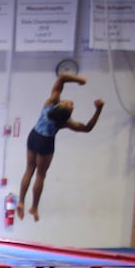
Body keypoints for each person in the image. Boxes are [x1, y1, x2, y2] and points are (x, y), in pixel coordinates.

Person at [17, 73, 103, 222]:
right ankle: (34, 207)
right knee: (40, 176)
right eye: (69, 104)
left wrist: (79, 80)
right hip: (45, 142)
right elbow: (87, 128)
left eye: (69, 104)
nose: (70, 102)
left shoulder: (50, 103)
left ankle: (21, 201)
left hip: (34, 136)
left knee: (29, 169)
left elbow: (61, 78)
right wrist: (98, 109)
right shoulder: (65, 123)